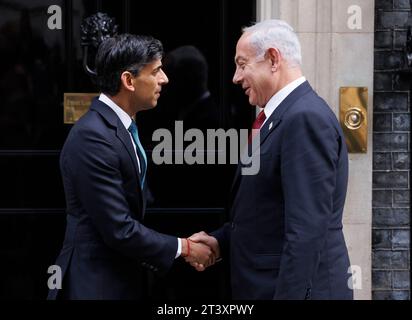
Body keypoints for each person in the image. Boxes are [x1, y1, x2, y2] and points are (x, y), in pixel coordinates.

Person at [187, 19, 353, 300]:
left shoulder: (304, 118)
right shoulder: (282, 117)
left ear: (273, 59)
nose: (235, 78)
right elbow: (268, 213)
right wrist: (221, 241)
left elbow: (306, 230)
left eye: (242, 64)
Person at [47, 34, 214, 300]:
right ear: (128, 81)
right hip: (96, 285)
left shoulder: (121, 128)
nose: (164, 79)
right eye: (156, 71)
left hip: (120, 279)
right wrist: (185, 248)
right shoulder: (93, 137)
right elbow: (119, 229)